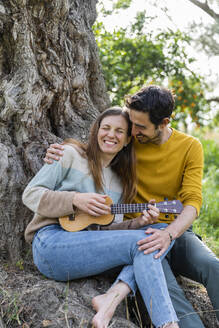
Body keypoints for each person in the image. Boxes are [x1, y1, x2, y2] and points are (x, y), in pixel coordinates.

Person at [45, 86, 219, 328]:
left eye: (140, 126)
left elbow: (192, 201)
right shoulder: (128, 142)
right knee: (168, 290)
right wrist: (59, 152)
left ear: (164, 122)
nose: (132, 131)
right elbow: (95, 149)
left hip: (174, 230)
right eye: (131, 123)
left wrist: (168, 234)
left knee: (212, 266)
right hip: (134, 234)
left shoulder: (190, 146)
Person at [23, 107, 179, 328]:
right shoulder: (68, 154)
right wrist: (75, 199)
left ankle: (110, 300)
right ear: (96, 131)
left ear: (127, 140)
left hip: (85, 251)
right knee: (148, 241)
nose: (110, 135)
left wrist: (139, 223)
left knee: (157, 235)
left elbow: (105, 232)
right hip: (51, 244)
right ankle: (169, 325)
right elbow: (30, 194)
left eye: (119, 131)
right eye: (105, 128)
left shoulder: (120, 182)